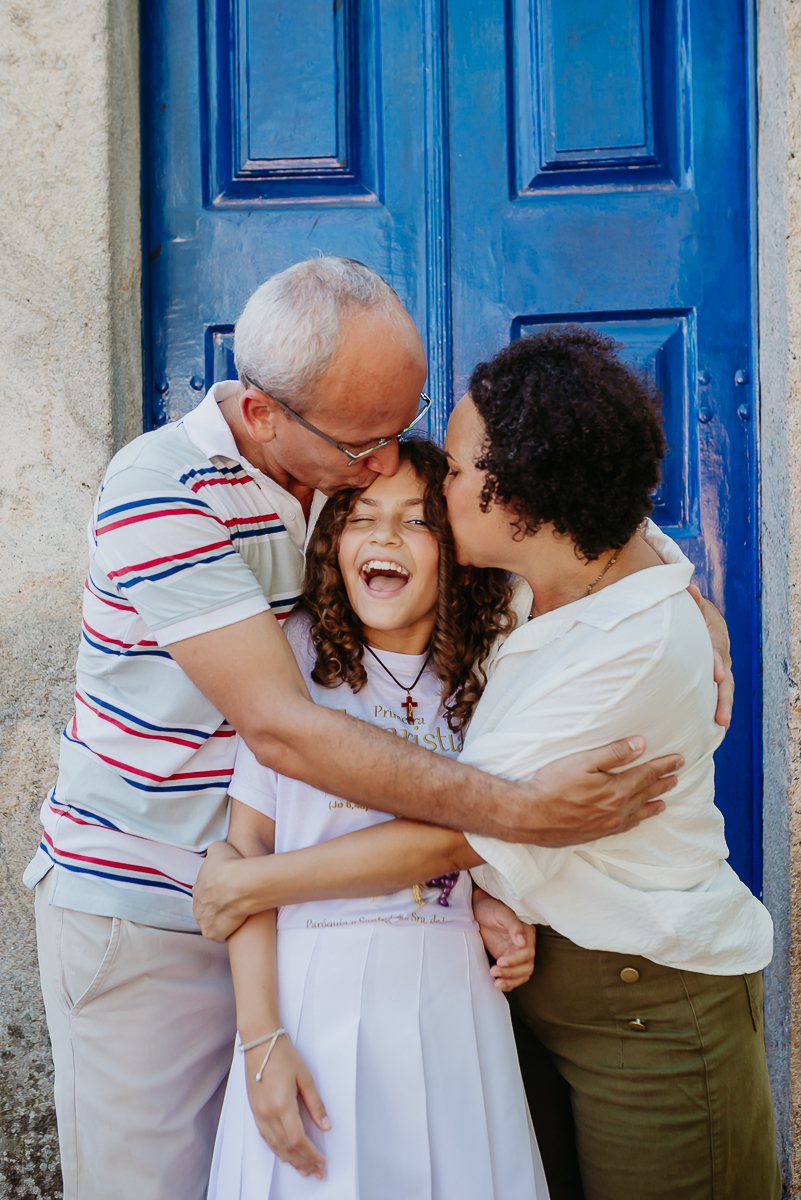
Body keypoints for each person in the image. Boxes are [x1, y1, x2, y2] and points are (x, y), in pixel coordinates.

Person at [26, 257, 724, 1200]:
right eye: (368, 445)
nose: (392, 461)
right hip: (151, 912)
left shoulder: (353, 467)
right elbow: (283, 731)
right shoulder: (163, 490)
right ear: (266, 414)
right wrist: (513, 814)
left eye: (406, 428)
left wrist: (666, 571)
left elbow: (545, 495)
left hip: (304, 919)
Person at [195, 327, 778, 1200]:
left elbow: (462, 829)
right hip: (524, 1003)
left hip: (644, 1002)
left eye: (459, 473)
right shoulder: (512, 596)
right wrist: (676, 564)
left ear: (524, 488)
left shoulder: (629, 646)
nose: (443, 486)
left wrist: (253, 885)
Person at [208, 439, 548, 1198]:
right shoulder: (292, 658)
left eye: (416, 522)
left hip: (451, 995)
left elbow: (487, 829)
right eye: (360, 517)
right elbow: (243, 857)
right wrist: (260, 1040)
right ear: (332, 544)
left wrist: (489, 897)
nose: (385, 538)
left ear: (456, 550)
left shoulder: (488, 672)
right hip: (310, 996)